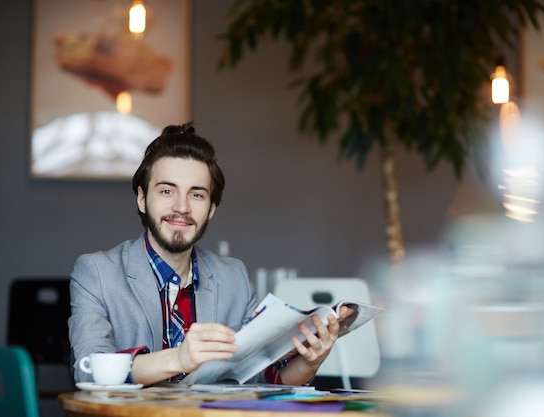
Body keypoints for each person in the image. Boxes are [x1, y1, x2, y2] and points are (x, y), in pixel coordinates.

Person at [68, 122, 350, 386]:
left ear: (211, 208)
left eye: (197, 194)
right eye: (167, 191)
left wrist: (310, 363)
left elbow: (257, 380)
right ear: (142, 199)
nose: (182, 207)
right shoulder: (97, 272)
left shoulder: (232, 277)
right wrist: (179, 358)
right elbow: (87, 369)